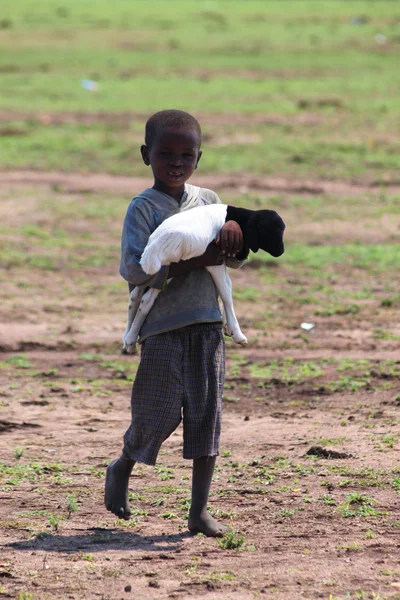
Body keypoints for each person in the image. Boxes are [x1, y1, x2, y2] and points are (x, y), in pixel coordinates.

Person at [104, 109, 248, 537]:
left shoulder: (209, 201)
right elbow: (135, 269)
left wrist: (235, 239)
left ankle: (199, 510)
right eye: (166, 153)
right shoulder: (143, 209)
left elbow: (232, 260)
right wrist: (196, 259)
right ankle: (123, 465)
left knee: (207, 417)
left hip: (207, 323)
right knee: (157, 413)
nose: (176, 162)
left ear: (199, 159)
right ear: (145, 154)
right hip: (163, 328)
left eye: (187, 154)